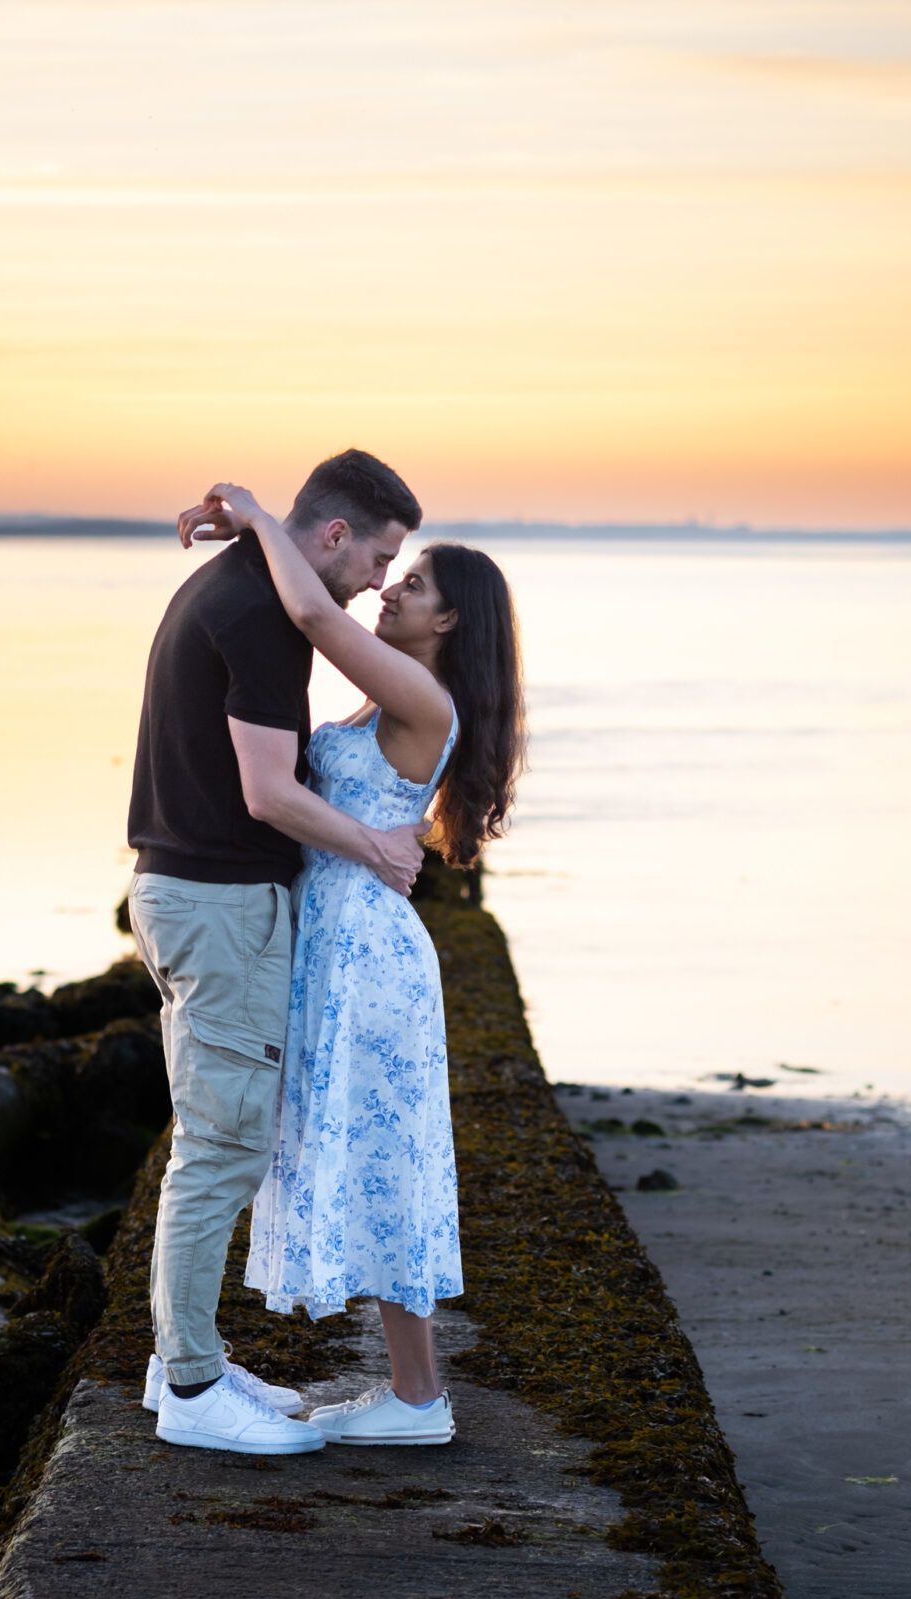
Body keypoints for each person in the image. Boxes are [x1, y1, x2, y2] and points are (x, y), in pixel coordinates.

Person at [177, 482, 525, 1446]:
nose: (390, 591)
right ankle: (414, 1396)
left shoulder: (424, 698)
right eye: (393, 574)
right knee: (375, 1161)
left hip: (367, 953)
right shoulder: (388, 692)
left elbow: (312, 610)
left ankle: (421, 1401)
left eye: (410, 584)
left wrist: (253, 513)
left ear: (450, 617)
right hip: (339, 942)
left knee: (389, 1164)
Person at [127, 450, 428, 1456]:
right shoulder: (258, 614)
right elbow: (267, 792)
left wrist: (254, 515)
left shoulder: (233, 587)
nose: (383, 580)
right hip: (217, 904)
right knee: (221, 1150)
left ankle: (187, 1357)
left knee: (213, 1138)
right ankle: (192, 1385)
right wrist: (376, 845)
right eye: (382, 556)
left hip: (186, 894)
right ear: (334, 535)